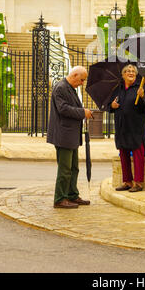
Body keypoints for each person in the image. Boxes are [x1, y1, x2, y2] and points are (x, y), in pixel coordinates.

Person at [47, 66, 93, 209]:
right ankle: (60, 198)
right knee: (65, 169)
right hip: (63, 136)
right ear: (74, 75)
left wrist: (83, 114)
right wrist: (82, 112)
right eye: (81, 80)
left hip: (70, 136)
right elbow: (63, 109)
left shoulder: (69, 88)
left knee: (73, 168)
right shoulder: (61, 88)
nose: (82, 83)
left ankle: (72, 194)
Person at [110, 64, 145, 192]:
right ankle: (127, 181)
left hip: (135, 126)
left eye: (133, 71)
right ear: (123, 75)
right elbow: (110, 105)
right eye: (128, 71)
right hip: (121, 126)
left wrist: (142, 97)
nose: (130, 72)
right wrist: (112, 105)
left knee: (137, 154)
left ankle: (138, 183)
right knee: (123, 154)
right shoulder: (118, 88)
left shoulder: (141, 87)